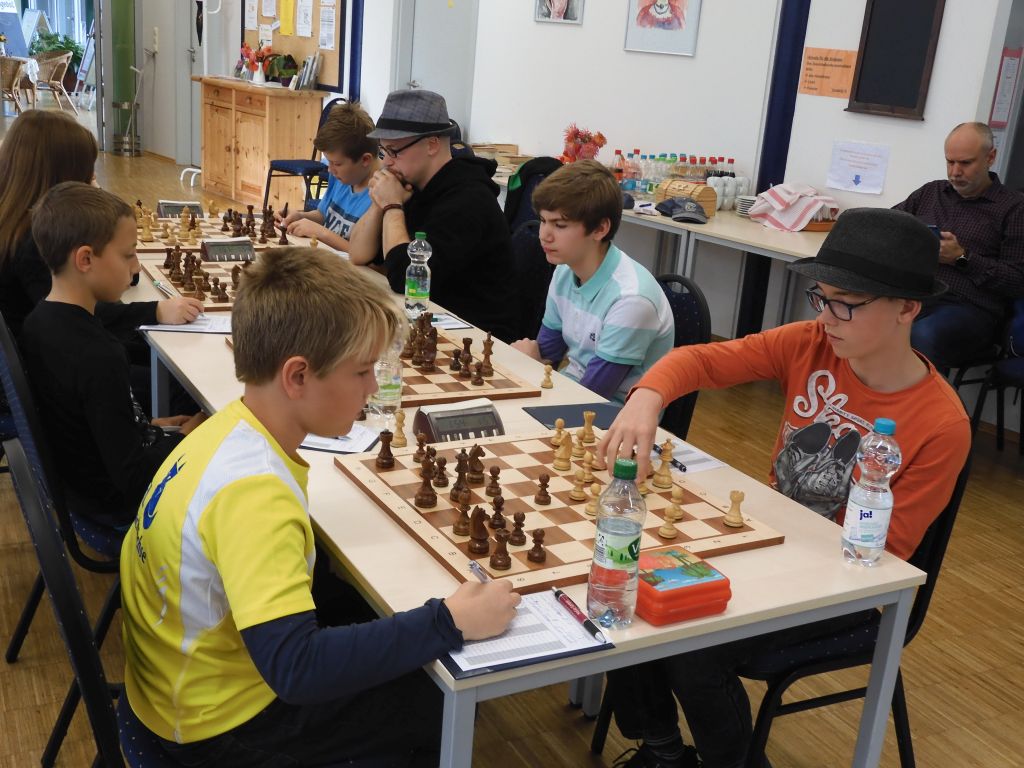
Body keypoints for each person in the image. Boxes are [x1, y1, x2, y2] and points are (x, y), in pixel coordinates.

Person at [597, 208, 971, 768]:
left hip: (840, 584)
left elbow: (881, 556)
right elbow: (699, 361)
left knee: (693, 642)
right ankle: (664, 750)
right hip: (767, 544)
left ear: (907, 308)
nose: (827, 317)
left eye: (847, 303)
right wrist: (647, 397)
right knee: (623, 578)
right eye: (821, 297)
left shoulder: (941, 425)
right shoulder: (810, 343)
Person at [119, 246, 520, 767]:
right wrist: (448, 621)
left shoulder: (226, 429)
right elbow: (296, 668)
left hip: (172, 683)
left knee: (359, 609)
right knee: (439, 701)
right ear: (298, 377)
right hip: (214, 725)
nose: (374, 387)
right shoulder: (254, 491)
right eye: (362, 372)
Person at [19, 183, 205, 530]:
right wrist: (186, 439)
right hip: (118, 507)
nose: (136, 267)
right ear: (85, 259)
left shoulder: (38, 322)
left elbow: (83, 424)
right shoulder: (97, 355)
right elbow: (133, 478)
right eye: (128, 255)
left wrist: (149, 426)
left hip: (82, 488)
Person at [0, 109, 201, 340]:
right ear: (63, 175)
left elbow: (125, 277)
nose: (92, 176)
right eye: (86, 169)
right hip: (62, 354)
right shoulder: (32, 240)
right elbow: (77, 313)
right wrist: (156, 311)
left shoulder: (19, 222)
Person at [347, 89, 518, 341]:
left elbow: (404, 278)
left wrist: (392, 206)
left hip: (476, 337)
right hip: (430, 321)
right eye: (383, 151)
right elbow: (358, 254)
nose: (386, 163)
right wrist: (379, 203)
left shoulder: (469, 200)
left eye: (395, 151)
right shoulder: (412, 185)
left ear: (432, 144)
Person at [510, 160, 674, 402]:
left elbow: (591, 397)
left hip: (611, 416)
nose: (544, 235)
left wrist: (530, 365)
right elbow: (547, 355)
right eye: (543, 220)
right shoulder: (564, 271)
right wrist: (535, 363)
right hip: (569, 394)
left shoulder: (631, 300)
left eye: (560, 225)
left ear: (600, 229)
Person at [893, 121, 1024, 369]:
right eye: (950, 162)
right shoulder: (931, 193)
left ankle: (921, 396)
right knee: (857, 315)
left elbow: (1017, 282)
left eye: (965, 163)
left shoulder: (1014, 208)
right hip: (916, 293)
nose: (955, 172)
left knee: (922, 335)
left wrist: (962, 258)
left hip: (971, 308)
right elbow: (887, 226)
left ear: (990, 158)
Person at [277, 101, 380, 251]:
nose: (330, 170)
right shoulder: (343, 176)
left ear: (365, 160)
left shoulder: (382, 195)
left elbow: (361, 255)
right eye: (328, 161)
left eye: (336, 163)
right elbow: (323, 214)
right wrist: (301, 216)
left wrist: (320, 232)